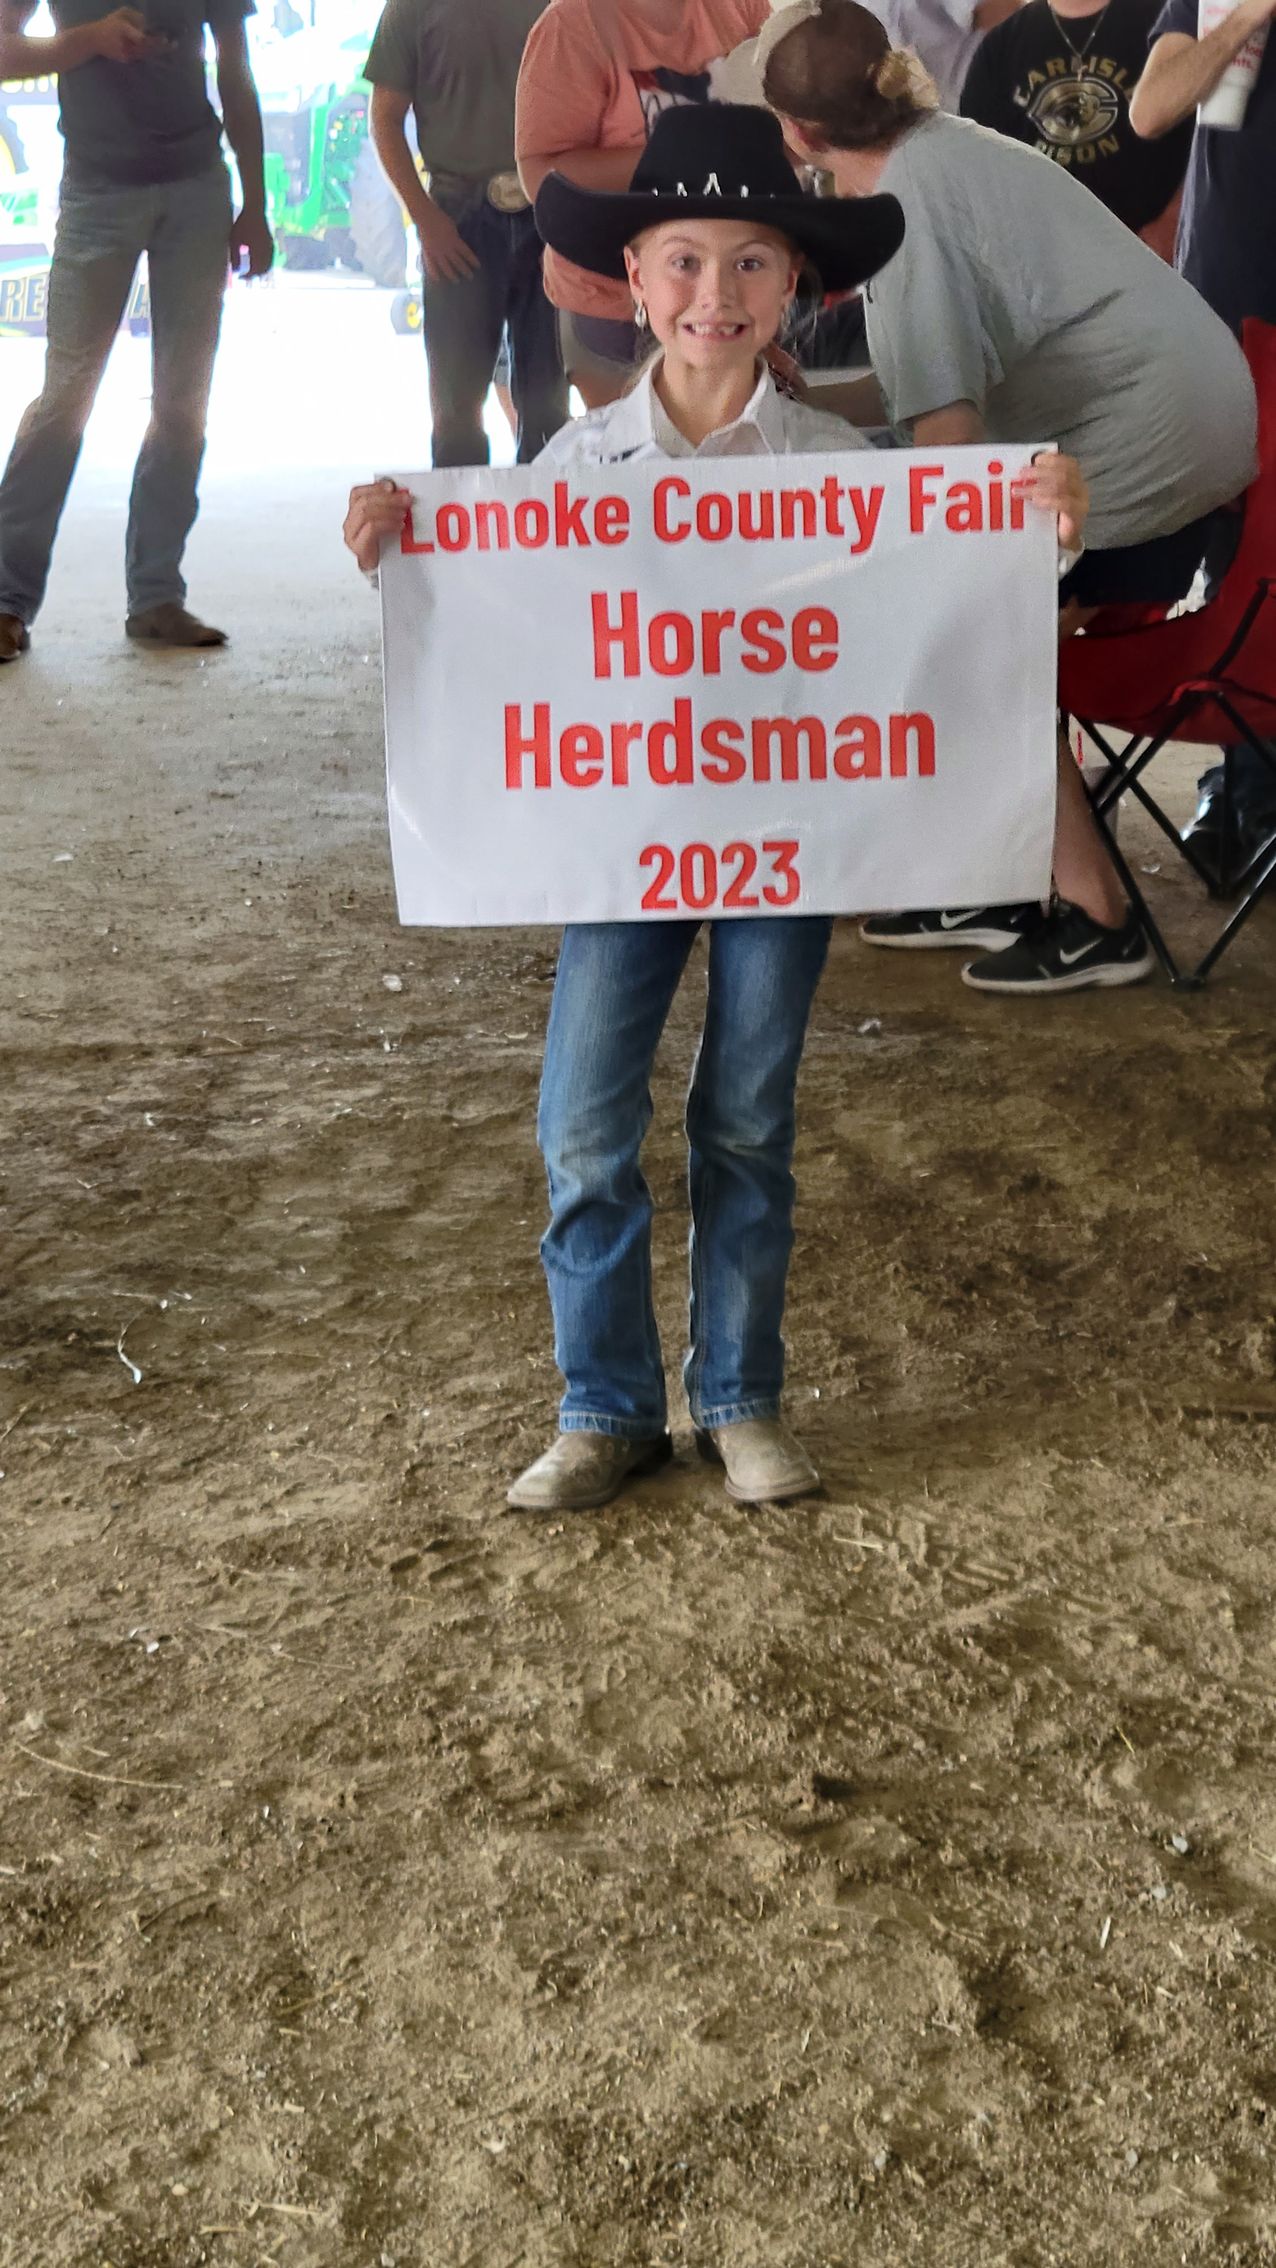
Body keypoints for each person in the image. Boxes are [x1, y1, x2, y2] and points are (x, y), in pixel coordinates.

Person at [346, 105, 1087, 1509]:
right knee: (583, 1125)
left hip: (783, 845)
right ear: (631, 280)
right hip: (620, 842)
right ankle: (605, 1404)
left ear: (793, 285)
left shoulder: (839, 473)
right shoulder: (571, 475)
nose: (715, 293)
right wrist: (404, 556)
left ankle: (741, 1396)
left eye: (751, 262)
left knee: (748, 1117)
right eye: (683, 260)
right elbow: (505, 643)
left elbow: (942, 610)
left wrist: (1035, 527)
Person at [762, 0, 1257, 993]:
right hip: (1193, 433)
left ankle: (1096, 915)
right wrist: (810, 401)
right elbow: (934, 389)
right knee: (950, 607)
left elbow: (949, 460)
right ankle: (991, 877)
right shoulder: (939, 149)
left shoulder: (903, 206)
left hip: (1151, 460)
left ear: (799, 136)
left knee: (966, 631)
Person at [0, 0, 272, 663]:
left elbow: (236, 69)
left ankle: (156, 598)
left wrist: (256, 203)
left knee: (183, 404)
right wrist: (89, 40)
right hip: (96, 191)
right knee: (65, 398)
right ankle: (5, 600)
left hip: (197, 189)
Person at [1130, 0, 1276, 869]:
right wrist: (1244, 18)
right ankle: (1242, 785)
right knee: (1236, 552)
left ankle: (1252, 789)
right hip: (1228, 299)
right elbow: (1151, 108)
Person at [514, 0, 773, 407]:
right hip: (614, 297)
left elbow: (780, 130)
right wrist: (688, 153)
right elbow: (541, 178)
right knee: (639, 439)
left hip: (728, 287)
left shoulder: (741, 7)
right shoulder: (571, 25)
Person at [363, 0, 568, 468]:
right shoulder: (411, 7)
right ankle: (460, 516)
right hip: (458, 223)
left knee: (548, 411)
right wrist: (424, 218)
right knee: (456, 414)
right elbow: (385, 117)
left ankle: (546, 516)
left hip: (550, 211)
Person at [960, 0, 1191, 240]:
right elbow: (976, 169)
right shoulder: (1000, 47)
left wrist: (1173, 223)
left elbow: (1201, 139)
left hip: (1147, 248)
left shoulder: (1167, 23)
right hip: (1041, 249)